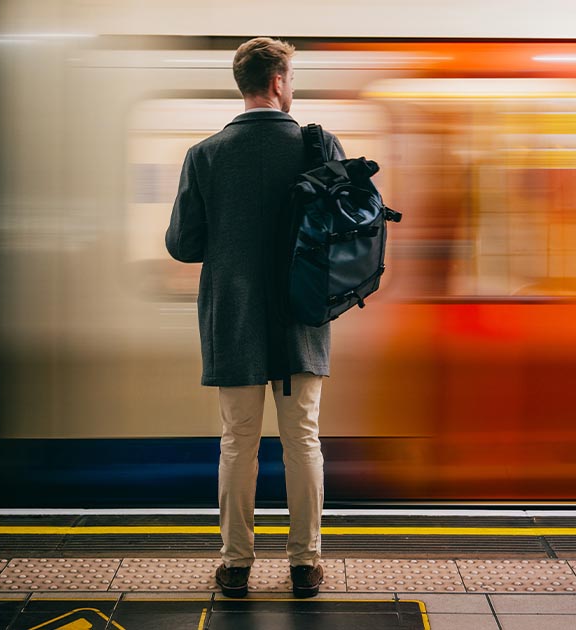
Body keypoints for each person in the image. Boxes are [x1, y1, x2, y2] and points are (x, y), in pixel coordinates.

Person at [165, 36, 344, 599]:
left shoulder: (206, 154)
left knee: (238, 441)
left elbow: (182, 245)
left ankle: (237, 564)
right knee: (303, 441)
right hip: (301, 317)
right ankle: (305, 564)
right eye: (290, 79)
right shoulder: (319, 146)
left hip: (234, 319)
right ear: (276, 83)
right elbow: (348, 233)